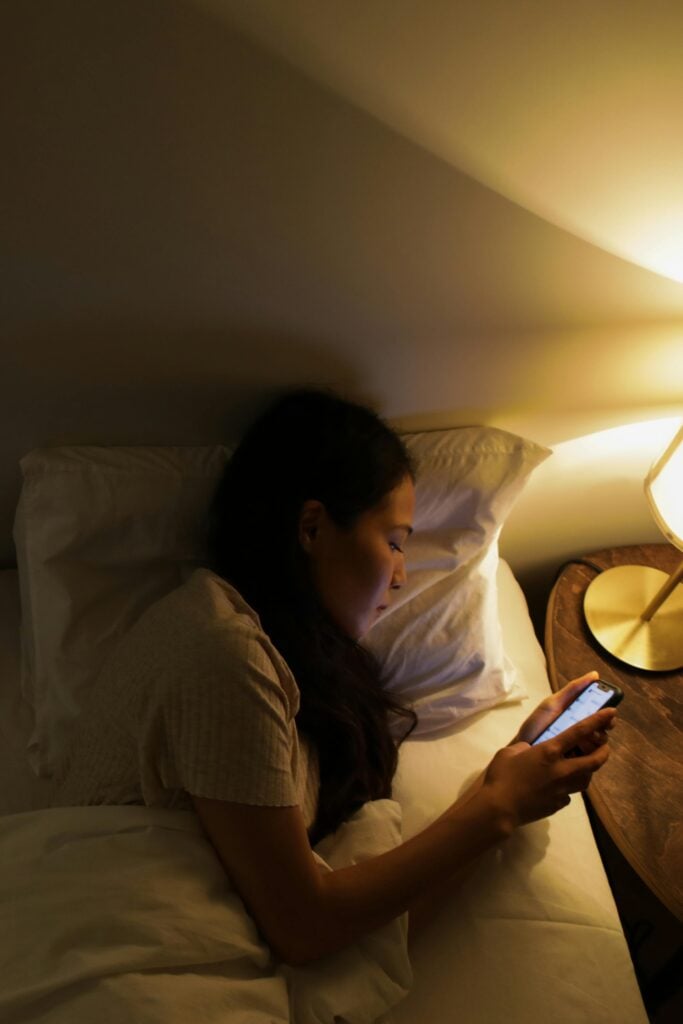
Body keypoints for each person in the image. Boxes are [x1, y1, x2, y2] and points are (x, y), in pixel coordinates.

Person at [51, 387, 616, 967]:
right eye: (394, 542)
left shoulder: (298, 661)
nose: (401, 576)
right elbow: (306, 928)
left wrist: (507, 775)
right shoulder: (222, 654)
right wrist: (496, 808)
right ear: (313, 528)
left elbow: (353, 921)